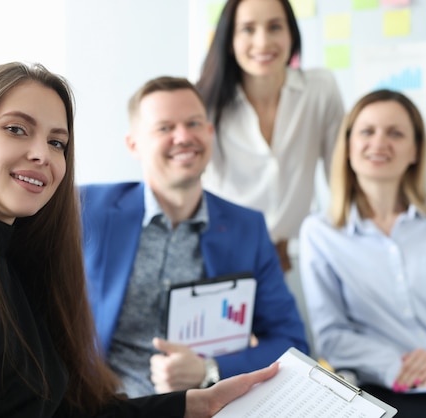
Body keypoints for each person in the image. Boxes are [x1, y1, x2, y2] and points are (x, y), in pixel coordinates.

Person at [0, 62, 282, 418]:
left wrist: (192, 404)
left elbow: (63, 413)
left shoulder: (14, 261)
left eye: (57, 142)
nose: (43, 153)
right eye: (17, 130)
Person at [80, 76, 308, 398]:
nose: (183, 137)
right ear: (134, 145)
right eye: (164, 128)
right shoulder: (85, 210)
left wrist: (208, 369)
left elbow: (292, 344)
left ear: (210, 133)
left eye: (194, 123)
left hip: (207, 404)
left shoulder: (247, 228)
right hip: (103, 403)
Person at [299, 89, 426, 417]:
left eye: (395, 133)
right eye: (367, 131)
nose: (379, 143)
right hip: (377, 390)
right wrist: (400, 369)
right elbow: (332, 336)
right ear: (348, 146)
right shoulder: (320, 233)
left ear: (415, 151)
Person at [196, 0, 344, 273]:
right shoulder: (204, 102)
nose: (263, 42)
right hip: (217, 252)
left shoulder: (320, 89)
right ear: (229, 40)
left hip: (282, 254)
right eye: (248, 29)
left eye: (275, 27)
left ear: (292, 34)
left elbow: (341, 174)